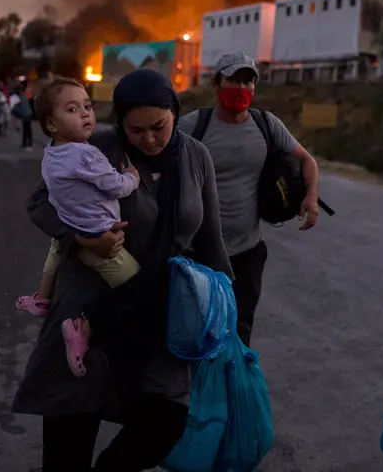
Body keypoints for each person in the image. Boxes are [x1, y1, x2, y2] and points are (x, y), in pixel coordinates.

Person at [13, 68, 233, 472]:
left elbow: (210, 241)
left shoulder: (195, 156)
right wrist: (81, 238)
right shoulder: (96, 148)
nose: (148, 139)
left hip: (160, 314)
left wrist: (227, 317)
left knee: (165, 420)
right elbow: (40, 203)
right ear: (120, 123)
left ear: (174, 112)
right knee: (71, 432)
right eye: (136, 130)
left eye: (159, 127)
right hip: (88, 314)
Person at [176, 52, 320, 346]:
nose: (242, 88)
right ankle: (198, 388)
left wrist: (311, 197)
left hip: (248, 251)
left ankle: (233, 387)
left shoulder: (266, 123)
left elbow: (307, 160)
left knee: (240, 334)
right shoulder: (194, 125)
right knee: (199, 331)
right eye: (234, 80)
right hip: (198, 252)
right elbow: (156, 154)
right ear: (217, 83)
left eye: (248, 81)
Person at [15, 77, 141, 377]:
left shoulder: (52, 153)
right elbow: (114, 186)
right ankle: (82, 326)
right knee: (133, 285)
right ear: (52, 124)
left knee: (55, 253)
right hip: (98, 235)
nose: (85, 114)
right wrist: (132, 177)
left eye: (87, 106)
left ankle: (42, 298)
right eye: (73, 109)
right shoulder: (86, 153)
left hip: (70, 227)